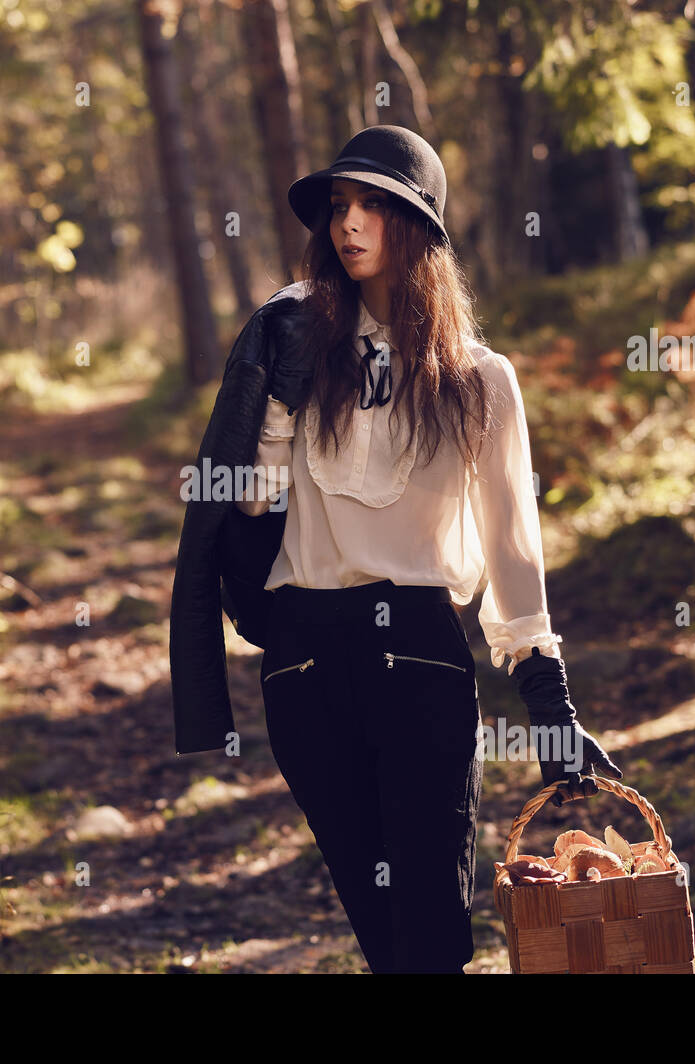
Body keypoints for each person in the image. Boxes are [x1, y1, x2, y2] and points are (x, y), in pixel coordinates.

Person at [235, 125, 621, 973]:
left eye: (375, 205)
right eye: (340, 206)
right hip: (303, 664)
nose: (350, 224)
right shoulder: (296, 359)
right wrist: (276, 396)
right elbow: (255, 503)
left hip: (418, 658)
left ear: (420, 229)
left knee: (432, 924)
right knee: (378, 927)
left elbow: (512, 548)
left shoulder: (480, 380)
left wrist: (549, 705)